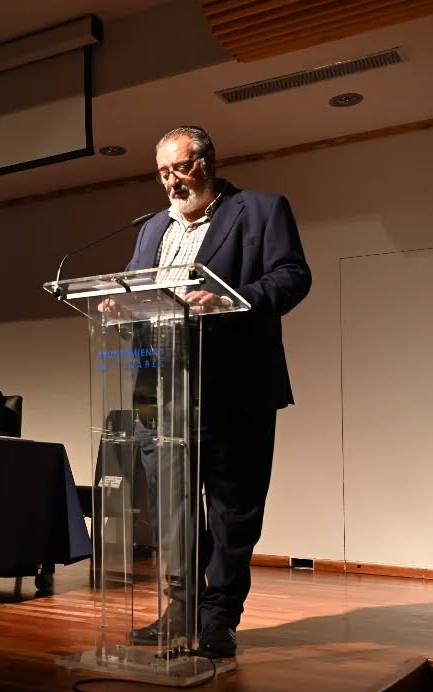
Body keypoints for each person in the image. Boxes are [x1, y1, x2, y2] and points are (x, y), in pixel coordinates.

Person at [122, 126, 311, 659]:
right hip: (160, 392)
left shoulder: (261, 210)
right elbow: (136, 288)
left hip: (236, 387)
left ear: (206, 162)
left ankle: (219, 620)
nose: (170, 182)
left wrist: (231, 299)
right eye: (162, 173)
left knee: (231, 511)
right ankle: (179, 611)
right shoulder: (153, 229)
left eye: (179, 168)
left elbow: (293, 276)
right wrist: (121, 304)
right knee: (172, 511)